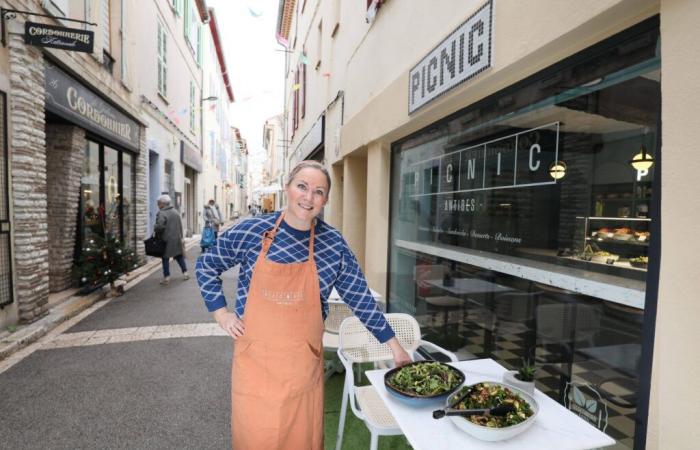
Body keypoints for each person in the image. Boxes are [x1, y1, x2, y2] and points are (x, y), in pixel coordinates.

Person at [195, 160, 411, 449]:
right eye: (302, 186)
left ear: (326, 200)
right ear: (288, 188)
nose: (308, 197)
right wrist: (221, 314)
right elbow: (207, 264)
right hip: (254, 366)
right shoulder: (252, 231)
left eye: (318, 191)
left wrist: (394, 346)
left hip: (302, 368)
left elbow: (360, 298)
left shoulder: (333, 244)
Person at [154, 195, 189, 285]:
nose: (158, 205)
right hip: (176, 239)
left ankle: (167, 277)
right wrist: (181, 237)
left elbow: (159, 227)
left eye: (159, 203)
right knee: (178, 256)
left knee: (165, 258)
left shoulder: (161, 213)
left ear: (163, 203)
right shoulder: (175, 212)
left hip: (165, 240)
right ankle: (185, 273)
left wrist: (155, 228)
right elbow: (180, 226)